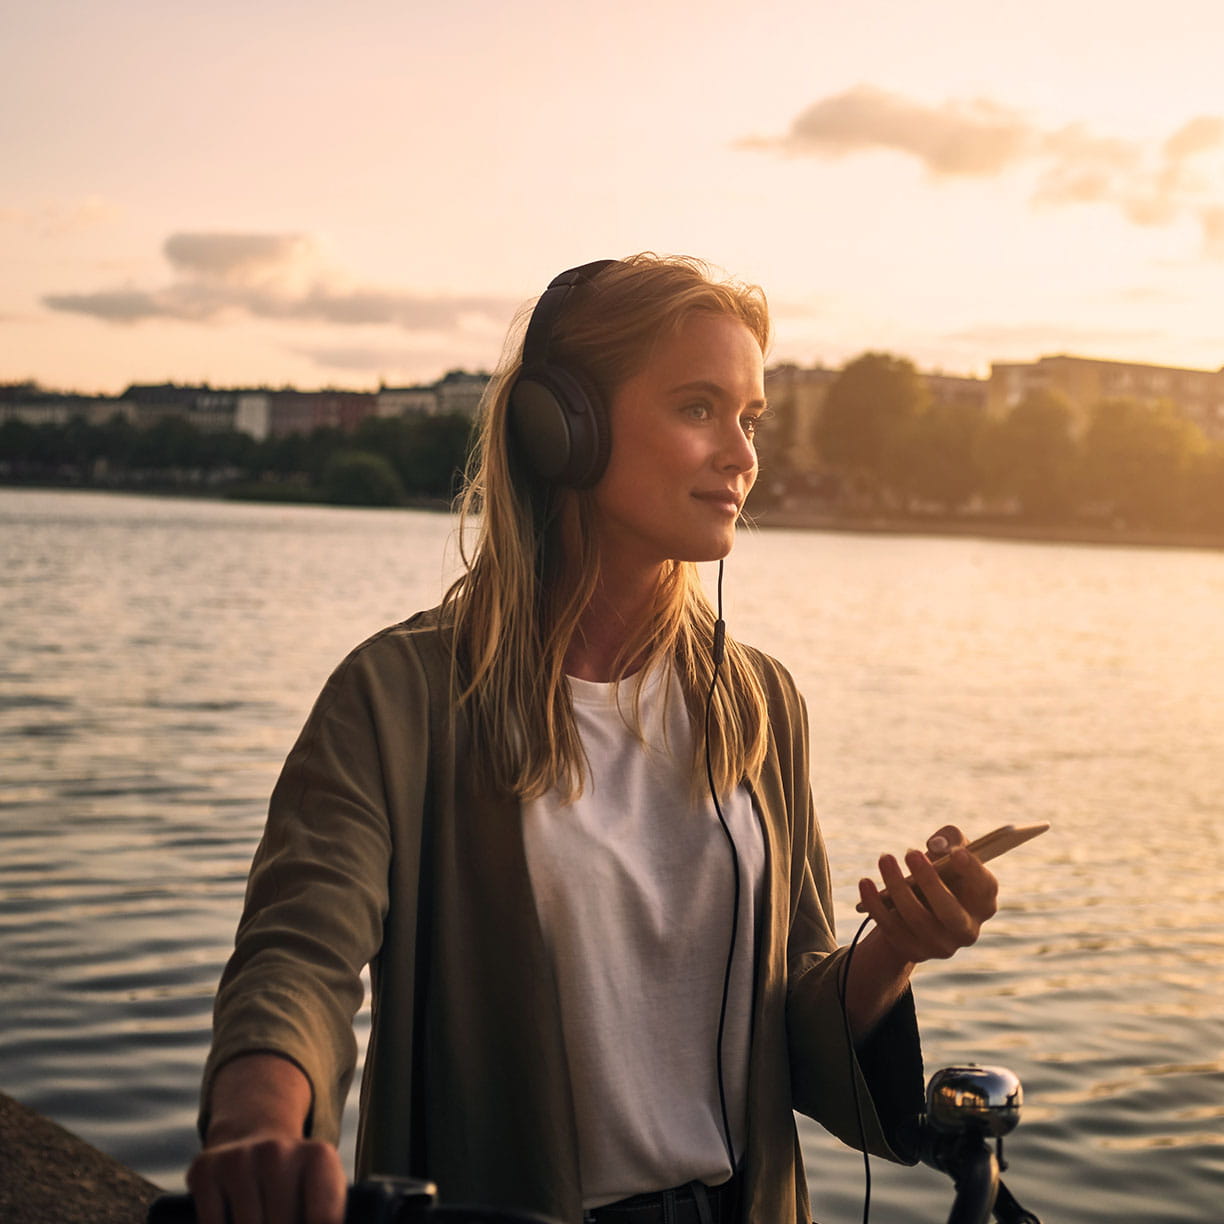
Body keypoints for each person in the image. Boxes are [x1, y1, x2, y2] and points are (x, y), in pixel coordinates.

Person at [187, 254, 999, 1224]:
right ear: (558, 428)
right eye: (700, 408)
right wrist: (260, 1131)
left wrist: (895, 948)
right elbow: (299, 958)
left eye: (750, 420)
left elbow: (793, 1022)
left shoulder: (763, 704)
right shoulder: (398, 697)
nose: (743, 455)